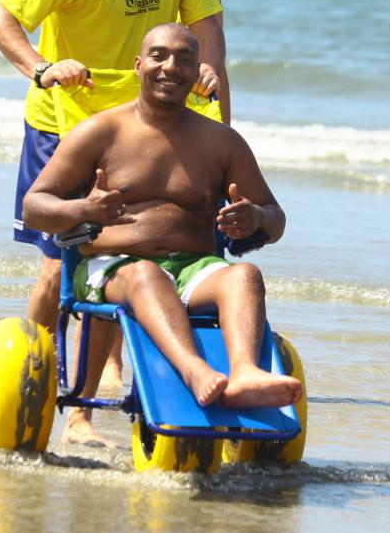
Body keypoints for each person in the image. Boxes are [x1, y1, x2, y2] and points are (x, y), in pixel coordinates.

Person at [0, 0, 227, 445]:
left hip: (146, 128)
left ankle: (86, 407)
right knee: (56, 271)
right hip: (68, 125)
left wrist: (218, 120)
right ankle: (36, 388)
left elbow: (207, 23)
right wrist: (41, 67)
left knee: (126, 255)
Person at [23, 24, 298, 409]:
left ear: (197, 71)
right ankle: (194, 371)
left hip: (193, 268)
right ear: (138, 65)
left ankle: (245, 372)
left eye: (185, 60)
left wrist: (255, 218)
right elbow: (35, 206)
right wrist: (84, 209)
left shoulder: (221, 142)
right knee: (146, 274)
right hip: (112, 268)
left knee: (244, 275)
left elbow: (276, 217)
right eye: (159, 56)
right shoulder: (99, 131)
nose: (171, 67)